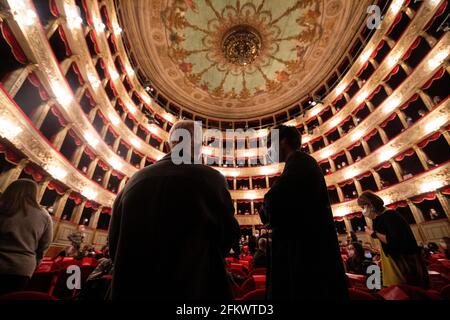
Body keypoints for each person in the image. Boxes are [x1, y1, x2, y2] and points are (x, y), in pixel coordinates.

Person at [109, 120, 240, 300]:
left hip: (134, 290)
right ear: (198, 145)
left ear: (171, 143)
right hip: (193, 289)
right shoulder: (211, 179)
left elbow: (114, 245)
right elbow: (228, 236)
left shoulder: (134, 181)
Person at [260, 125, 348, 300]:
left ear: (283, 141)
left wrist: (265, 209)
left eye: (270, 144)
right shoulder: (302, 163)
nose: (269, 150)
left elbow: (273, 203)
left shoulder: (299, 162)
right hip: (307, 252)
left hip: (303, 258)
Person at [358, 191, 429, 288]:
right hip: (393, 257)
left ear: (370, 205)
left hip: (403, 260)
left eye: (363, 207)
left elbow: (394, 241)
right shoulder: (380, 217)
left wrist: (373, 233)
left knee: (405, 289)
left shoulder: (389, 215)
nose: (363, 211)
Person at [0, 179, 53, 295]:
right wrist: (35, 263)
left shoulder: (3, 207)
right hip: (22, 268)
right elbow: (45, 245)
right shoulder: (44, 215)